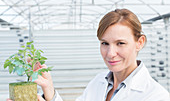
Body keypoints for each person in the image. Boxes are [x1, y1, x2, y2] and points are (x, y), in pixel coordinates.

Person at [7, 9, 170, 101]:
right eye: (104, 43)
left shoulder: (156, 96)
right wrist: (49, 89)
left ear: (139, 42)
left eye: (120, 43)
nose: (110, 53)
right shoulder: (98, 82)